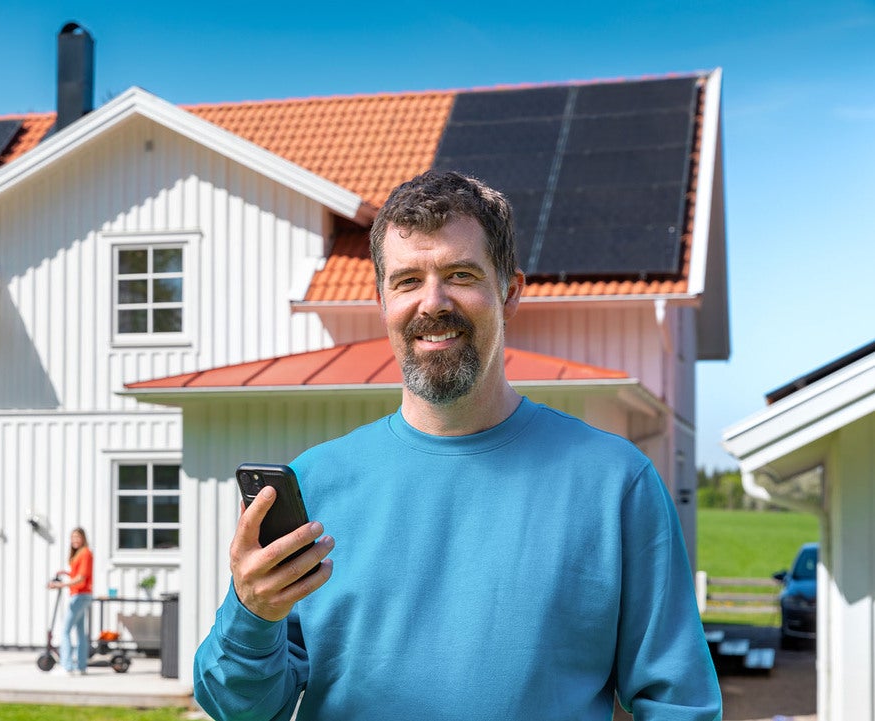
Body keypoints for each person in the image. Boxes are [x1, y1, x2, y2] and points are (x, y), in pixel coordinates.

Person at [193, 170, 722, 720]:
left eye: (460, 274)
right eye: (406, 281)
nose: (432, 303)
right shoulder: (316, 484)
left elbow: (679, 704)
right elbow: (242, 709)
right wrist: (252, 614)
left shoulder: (616, 484)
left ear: (509, 292)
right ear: (381, 300)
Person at [47, 527, 93, 676]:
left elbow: (81, 578)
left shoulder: (85, 553)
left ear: (83, 538)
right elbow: (78, 574)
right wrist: (66, 573)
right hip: (82, 595)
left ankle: (67, 666)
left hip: (80, 596)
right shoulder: (80, 554)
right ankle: (81, 667)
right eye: (73, 537)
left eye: (77, 537)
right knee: (80, 633)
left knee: (65, 630)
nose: (75, 540)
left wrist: (60, 585)